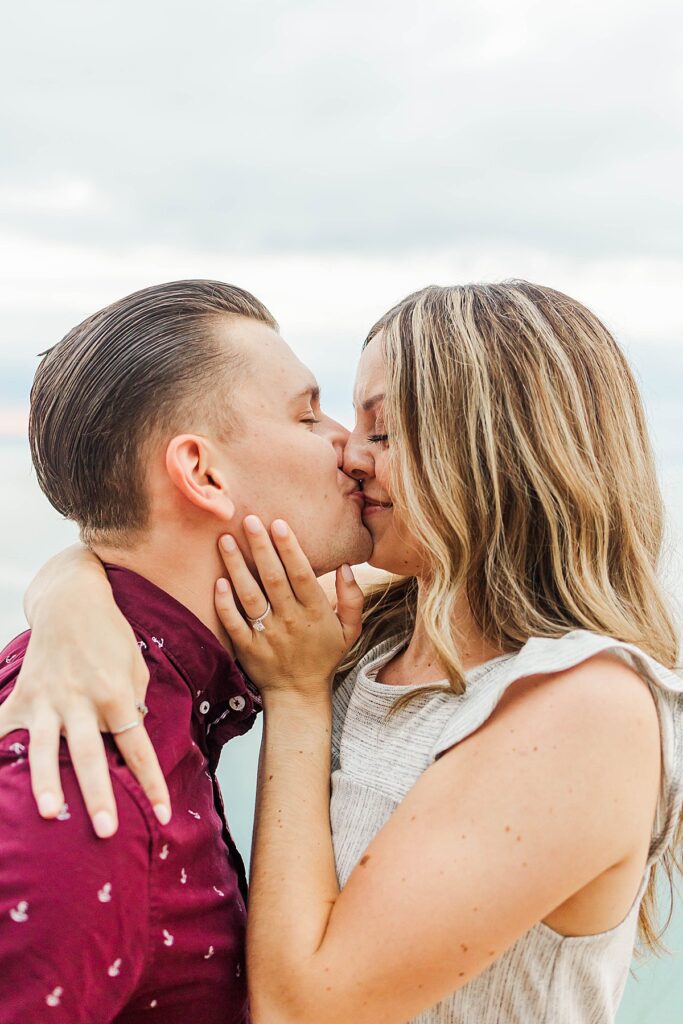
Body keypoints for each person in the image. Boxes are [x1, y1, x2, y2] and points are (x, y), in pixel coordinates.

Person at [4, 281, 683, 1024]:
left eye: (382, 432)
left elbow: (305, 1011)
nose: (350, 455)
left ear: (497, 452)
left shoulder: (582, 704)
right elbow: (143, 545)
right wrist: (69, 602)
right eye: (322, 416)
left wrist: (297, 699)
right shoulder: (377, 627)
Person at [0, 279, 371, 1023]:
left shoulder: (146, 687)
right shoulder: (86, 786)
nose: (350, 447)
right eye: (307, 415)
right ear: (201, 473)